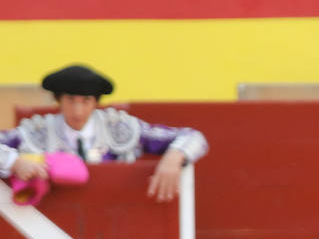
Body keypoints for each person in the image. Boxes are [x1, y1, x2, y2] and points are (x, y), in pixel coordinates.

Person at [0, 65, 207, 203]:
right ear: (58, 100)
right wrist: (14, 162)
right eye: (71, 100)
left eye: (86, 101)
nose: (78, 111)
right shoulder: (36, 132)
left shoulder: (118, 128)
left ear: (96, 103)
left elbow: (195, 137)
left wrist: (174, 156)